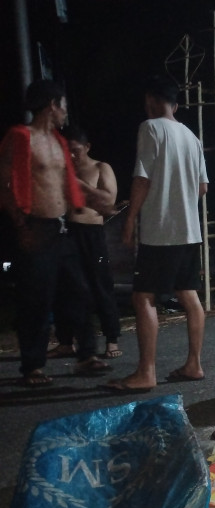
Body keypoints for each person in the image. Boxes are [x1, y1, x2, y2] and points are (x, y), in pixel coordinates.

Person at [0, 79, 110, 386]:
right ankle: (32, 367)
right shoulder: (21, 137)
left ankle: (86, 356)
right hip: (35, 227)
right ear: (52, 104)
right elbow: (3, 182)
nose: (65, 112)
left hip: (63, 227)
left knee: (80, 291)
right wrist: (20, 224)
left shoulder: (58, 142)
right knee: (36, 299)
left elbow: (67, 181)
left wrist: (94, 197)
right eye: (63, 105)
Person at [105, 75, 208, 393]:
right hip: (189, 230)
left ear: (151, 99)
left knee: (143, 297)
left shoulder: (150, 128)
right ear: (174, 104)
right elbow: (203, 187)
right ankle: (194, 364)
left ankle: (145, 372)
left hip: (161, 230)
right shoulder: (191, 137)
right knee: (189, 295)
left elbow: (142, 178)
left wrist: (130, 218)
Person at [47, 125, 122, 360]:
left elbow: (108, 202)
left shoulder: (100, 168)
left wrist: (79, 186)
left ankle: (111, 339)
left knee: (100, 285)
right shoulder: (59, 171)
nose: (70, 155)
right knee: (64, 288)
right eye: (65, 151)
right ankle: (66, 340)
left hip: (91, 232)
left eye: (75, 150)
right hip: (65, 231)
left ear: (87, 147)